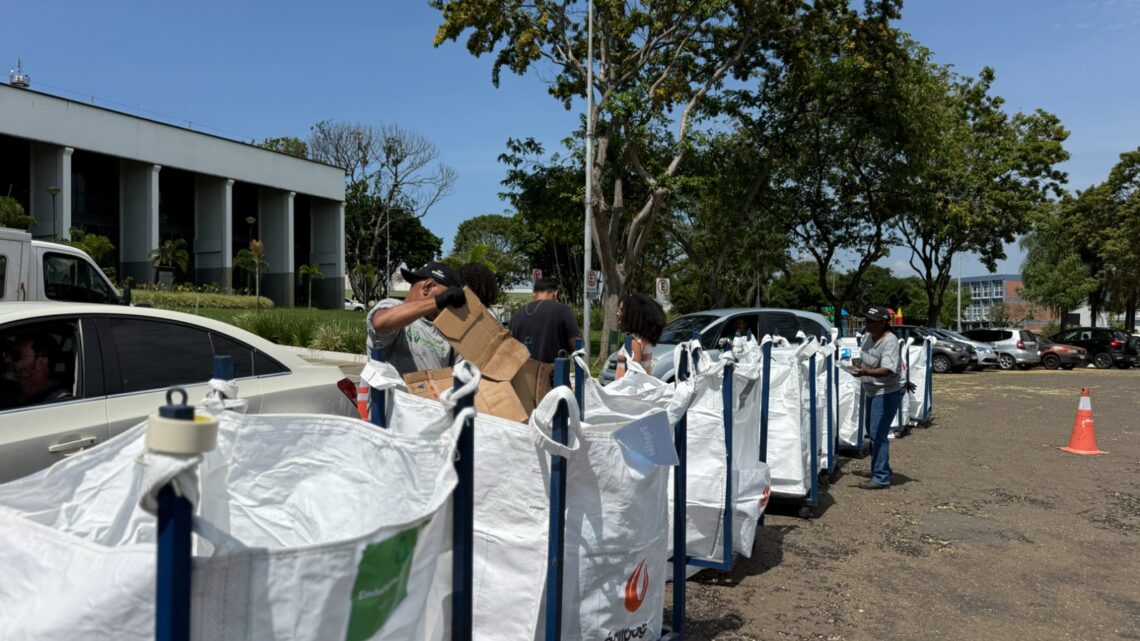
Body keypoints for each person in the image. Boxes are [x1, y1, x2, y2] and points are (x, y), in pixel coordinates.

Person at [367, 261, 467, 375]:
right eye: (450, 299)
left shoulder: (446, 330)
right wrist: (438, 301)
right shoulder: (392, 306)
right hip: (392, 393)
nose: (451, 307)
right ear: (427, 287)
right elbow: (380, 323)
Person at [851, 305, 905, 490]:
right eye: (866, 320)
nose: (867, 324)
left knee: (877, 433)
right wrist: (854, 366)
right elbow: (865, 358)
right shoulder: (867, 336)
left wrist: (865, 371)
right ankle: (881, 468)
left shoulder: (890, 341)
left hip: (887, 391)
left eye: (871, 321)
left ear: (883, 323)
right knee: (872, 431)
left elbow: (888, 369)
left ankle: (881, 477)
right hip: (871, 389)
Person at [509, 278, 580, 363]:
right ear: (555, 293)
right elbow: (575, 344)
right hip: (552, 373)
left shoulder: (516, 314)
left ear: (534, 294)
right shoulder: (562, 309)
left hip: (522, 372)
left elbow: (511, 347)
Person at [2, 334, 72, 408]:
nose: (7, 360)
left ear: (40, 363)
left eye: (16, 355)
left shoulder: (59, 402)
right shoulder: (10, 391)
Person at [614, 292, 666, 380]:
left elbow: (634, 375)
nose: (618, 314)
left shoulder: (634, 342)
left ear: (633, 314)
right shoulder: (643, 339)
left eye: (622, 310)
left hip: (625, 391)